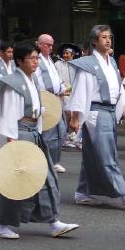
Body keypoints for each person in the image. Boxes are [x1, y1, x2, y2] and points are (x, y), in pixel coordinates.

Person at [0, 42, 80, 239]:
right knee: (15, 181)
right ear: (19, 61)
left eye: (36, 58)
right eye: (31, 58)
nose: (35, 62)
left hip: (33, 133)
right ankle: (3, 224)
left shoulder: (32, 81)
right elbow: (7, 115)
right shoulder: (12, 83)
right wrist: (11, 144)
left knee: (45, 177)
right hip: (18, 134)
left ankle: (53, 221)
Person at [67, 24, 125, 210]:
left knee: (93, 156)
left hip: (109, 110)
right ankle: (124, 195)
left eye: (109, 36)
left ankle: (83, 192)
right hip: (96, 112)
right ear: (94, 41)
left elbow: (117, 90)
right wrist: (76, 116)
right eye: (103, 37)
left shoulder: (112, 62)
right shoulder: (87, 64)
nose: (108, 40)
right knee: (107, 155)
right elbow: (80, 91)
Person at [35, 34, 68, 174]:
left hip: (56, 99)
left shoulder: (50, 61)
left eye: (51, 44)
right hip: (45, 99)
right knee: (48, 133)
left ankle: (54, 161)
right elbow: (36, 81)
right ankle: (46, 160)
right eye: (47, 44)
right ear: (39, 44)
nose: (50, 47)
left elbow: (57, 79)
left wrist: (62, 88)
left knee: (61, 131)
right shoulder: (36, 59)